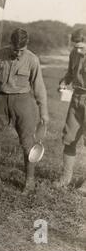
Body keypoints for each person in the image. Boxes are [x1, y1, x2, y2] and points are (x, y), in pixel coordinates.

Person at [0, 28, 49, 194]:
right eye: (15, 49)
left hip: (23, 101)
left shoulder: (32, 60)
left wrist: (44, 111)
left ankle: (29, 181)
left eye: (21, 50)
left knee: (28, 142)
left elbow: (39, 87)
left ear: (26, 46)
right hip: (0, 99)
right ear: (10, 44)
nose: (18, 53)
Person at [54, 29, 86, 195]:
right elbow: (70, 73)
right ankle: (65, 178)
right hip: (76, 98)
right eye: (76, 47)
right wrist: (64, 83)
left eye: (81, 47)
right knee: (69, 138)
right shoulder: (74, 53)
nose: (78, 50)